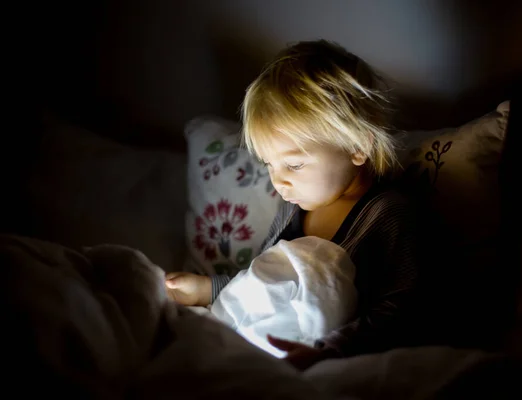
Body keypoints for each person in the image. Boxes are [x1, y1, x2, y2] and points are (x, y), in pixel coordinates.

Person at [166, 40, 419, 369]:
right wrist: (205, 290)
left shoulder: (387, 214)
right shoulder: (293, 207)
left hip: (330, 360)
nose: (278, 181)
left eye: (294, 165)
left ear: (357, 146)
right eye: (269, 164)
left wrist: (329, 351)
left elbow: (400, 312)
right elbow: (263, 286)